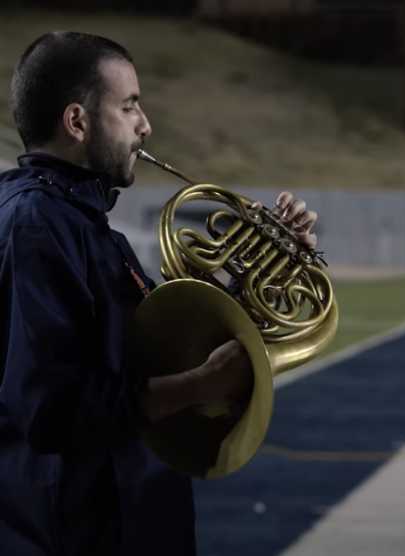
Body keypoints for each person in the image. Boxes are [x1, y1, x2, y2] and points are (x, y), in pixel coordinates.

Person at [0, 31, 319, 556]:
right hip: (82, 531)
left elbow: (154, 351)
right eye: (128, 107)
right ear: (77, 122)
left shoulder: (88, 227)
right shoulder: (37, 225)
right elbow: (50, 409)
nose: (145, 125)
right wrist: (198, 386)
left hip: (128, 519)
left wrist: (274, 265)